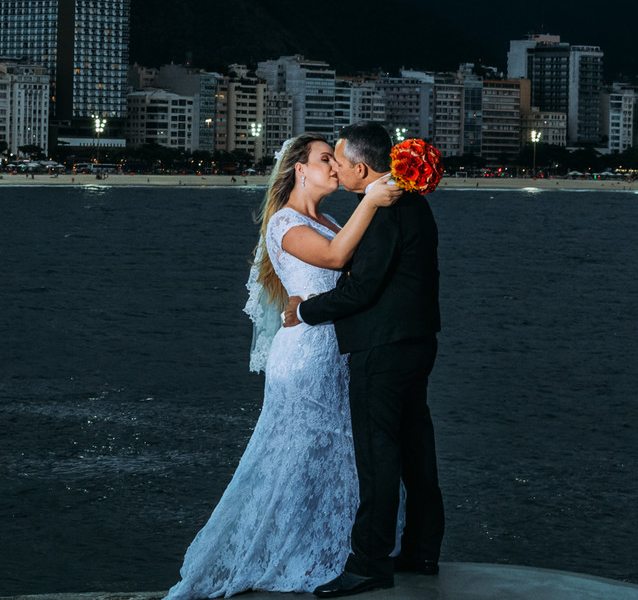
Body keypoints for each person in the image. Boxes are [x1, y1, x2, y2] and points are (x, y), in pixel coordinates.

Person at [164, 133, 401, 600]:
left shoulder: (329, 219)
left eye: (335, 160)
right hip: (306, 358)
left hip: (335, 353)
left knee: (336, 455)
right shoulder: (284, 224)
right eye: (324, 159)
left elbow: (348, 273)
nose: (335, 167)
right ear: (299, 169)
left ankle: (335, 550)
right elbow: (335, 258)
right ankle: (278, 552)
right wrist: (371, 200)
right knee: (296, 454)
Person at [285, 121, 445, 598]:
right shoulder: (414, 201)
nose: (333, 165)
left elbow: (361, 289)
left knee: (377, 456)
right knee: (416, 449)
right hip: (418, 341)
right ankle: (421, 550)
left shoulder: (380, 210)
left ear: (360, 167)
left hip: (383, 346)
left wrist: (305, 310)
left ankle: (369, 563)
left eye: (337, 159)